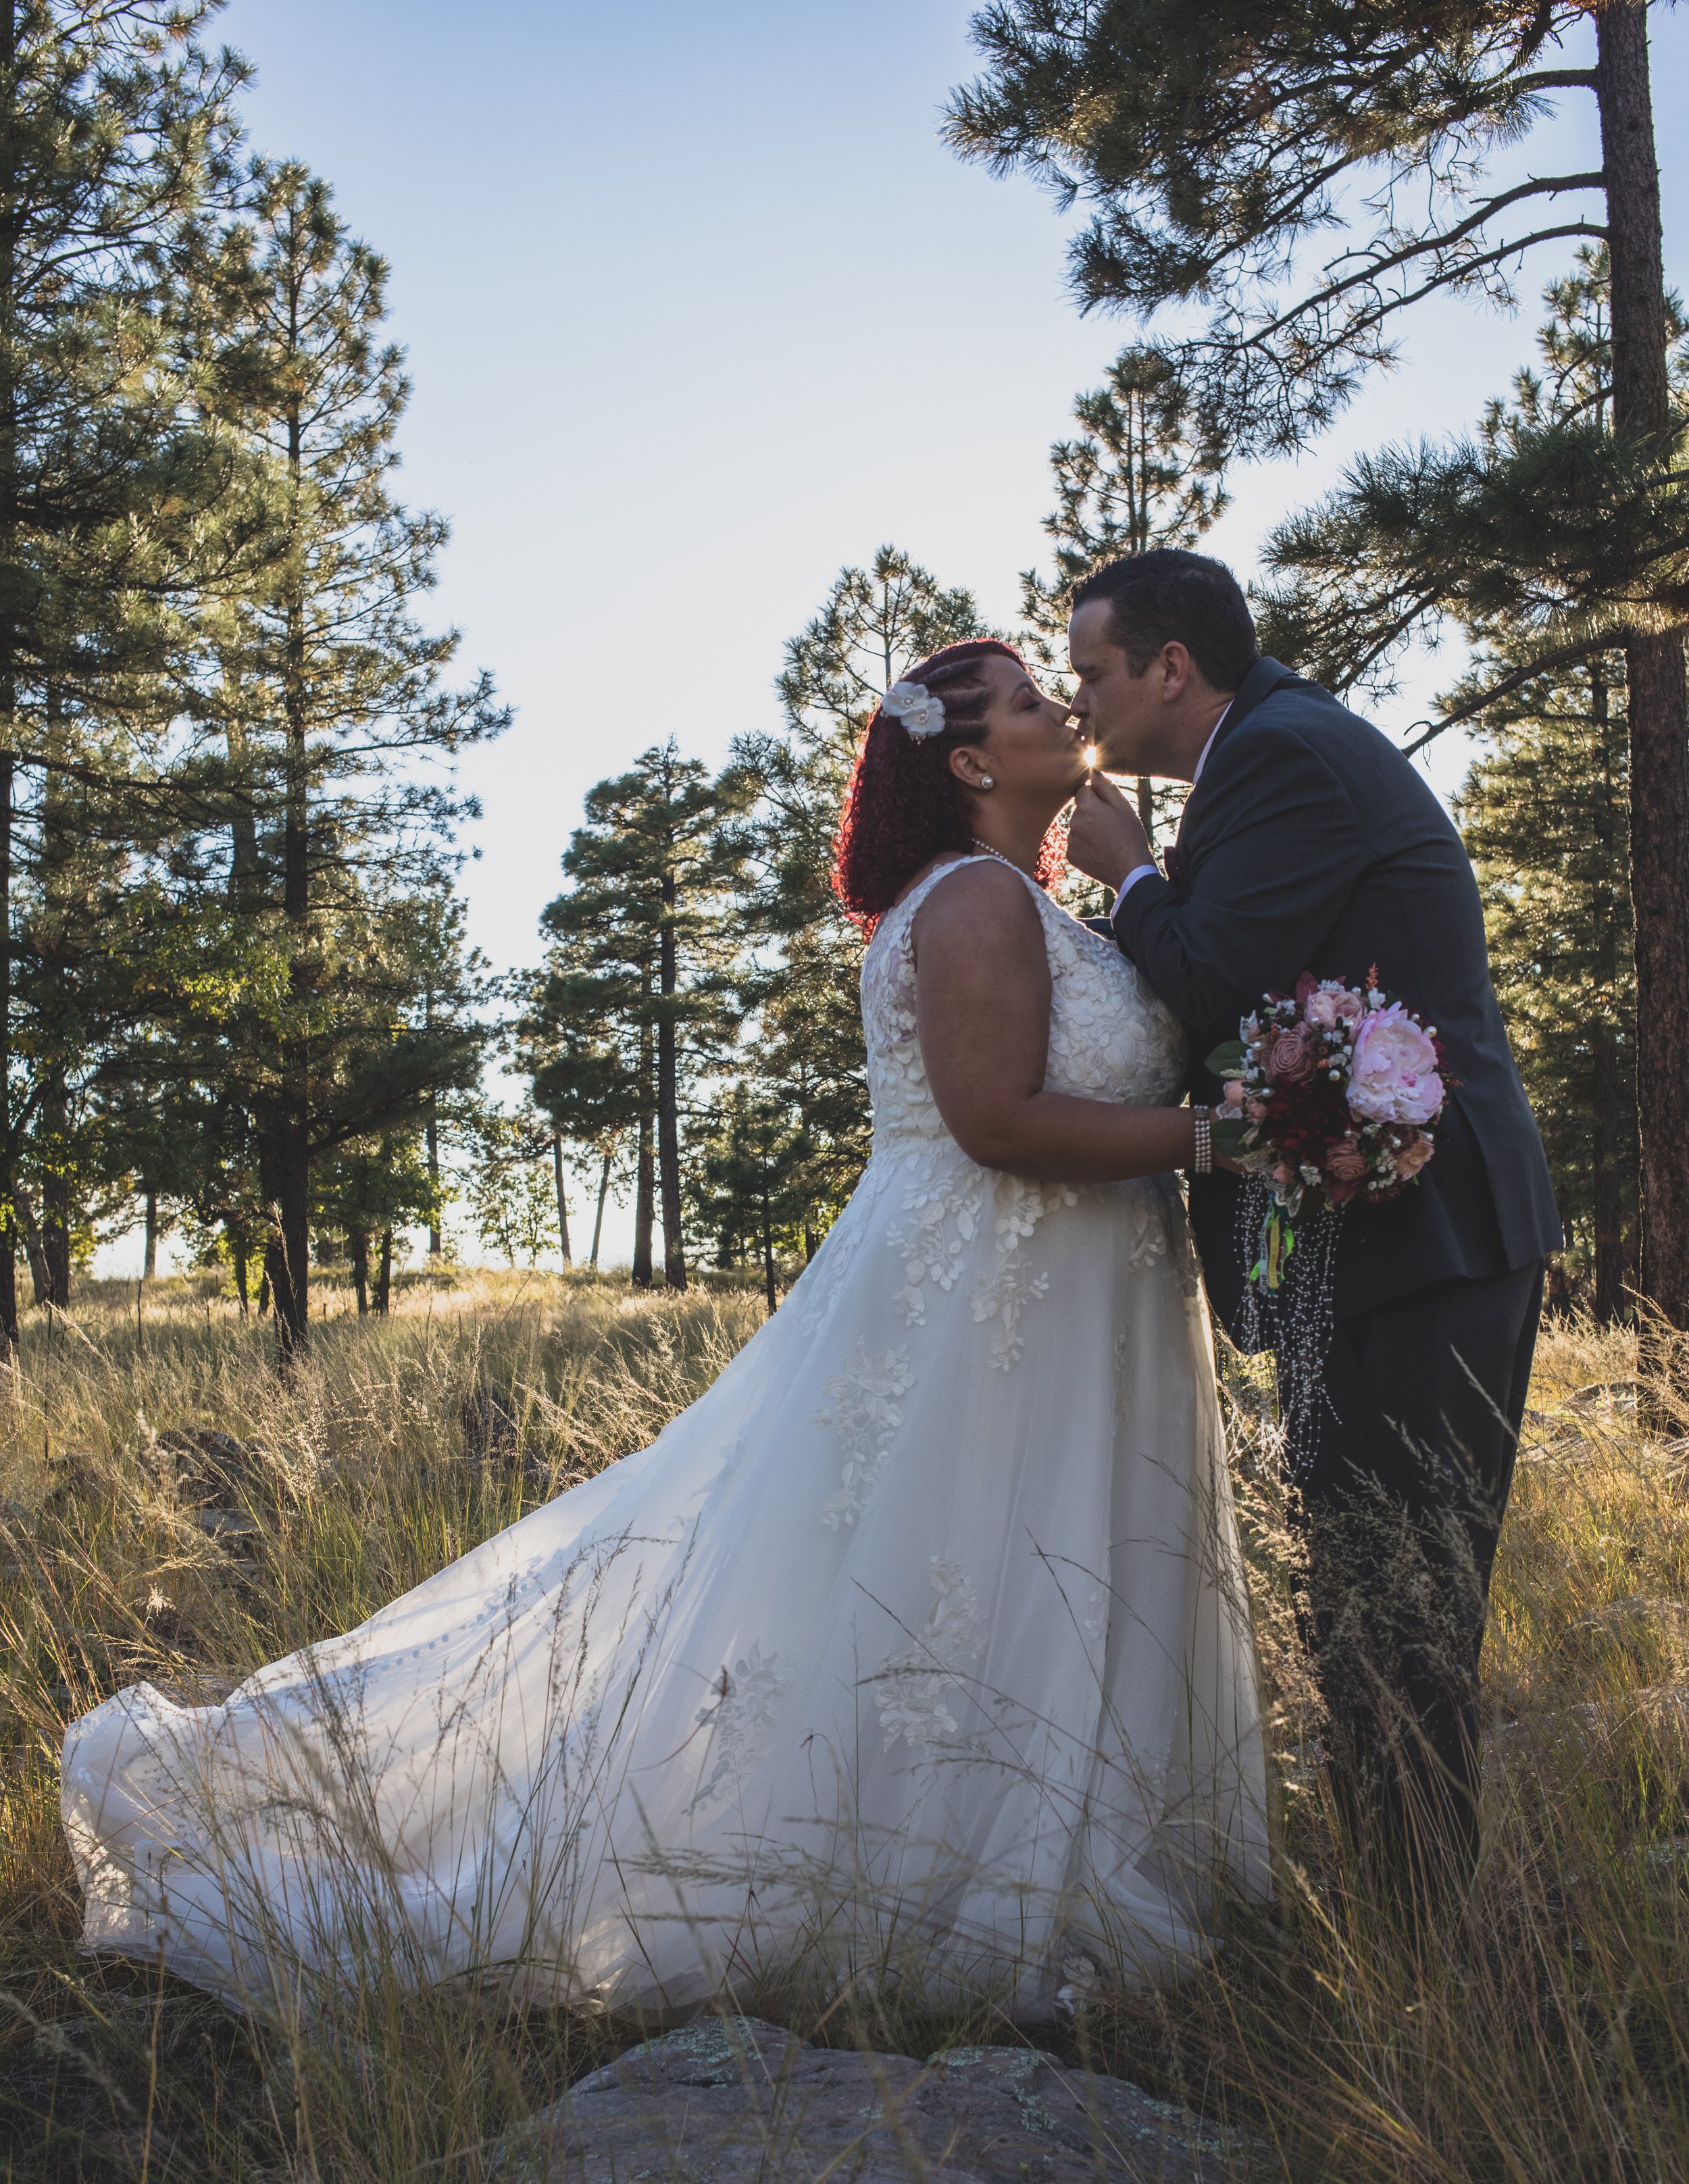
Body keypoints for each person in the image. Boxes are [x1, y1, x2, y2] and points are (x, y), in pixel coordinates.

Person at [61, 639, 1267, 2019]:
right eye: (1030, 699)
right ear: (974, 763)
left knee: (984, 1563)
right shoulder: (981, 897)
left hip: (1056, 1300)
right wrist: (1227, 1137)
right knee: (954, 1556)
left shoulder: (1027, 902)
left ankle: (1020, 1856)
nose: (1065, 707)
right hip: (983, 1296)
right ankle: (932, 1884)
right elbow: (994, 1123)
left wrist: (1138, 889)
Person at [1064, 552, 1560, 1922]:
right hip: (1381, 1244)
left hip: (1419, 1243)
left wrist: (1124, 876)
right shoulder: (1268, 753)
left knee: (1391, 1616)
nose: (1080, 700)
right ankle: (1410, 1926)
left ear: (1171, 669)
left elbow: (1210, 973)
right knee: (1374, 1606)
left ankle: (1415, 1964)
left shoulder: (1282, 756)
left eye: (1094, 671)